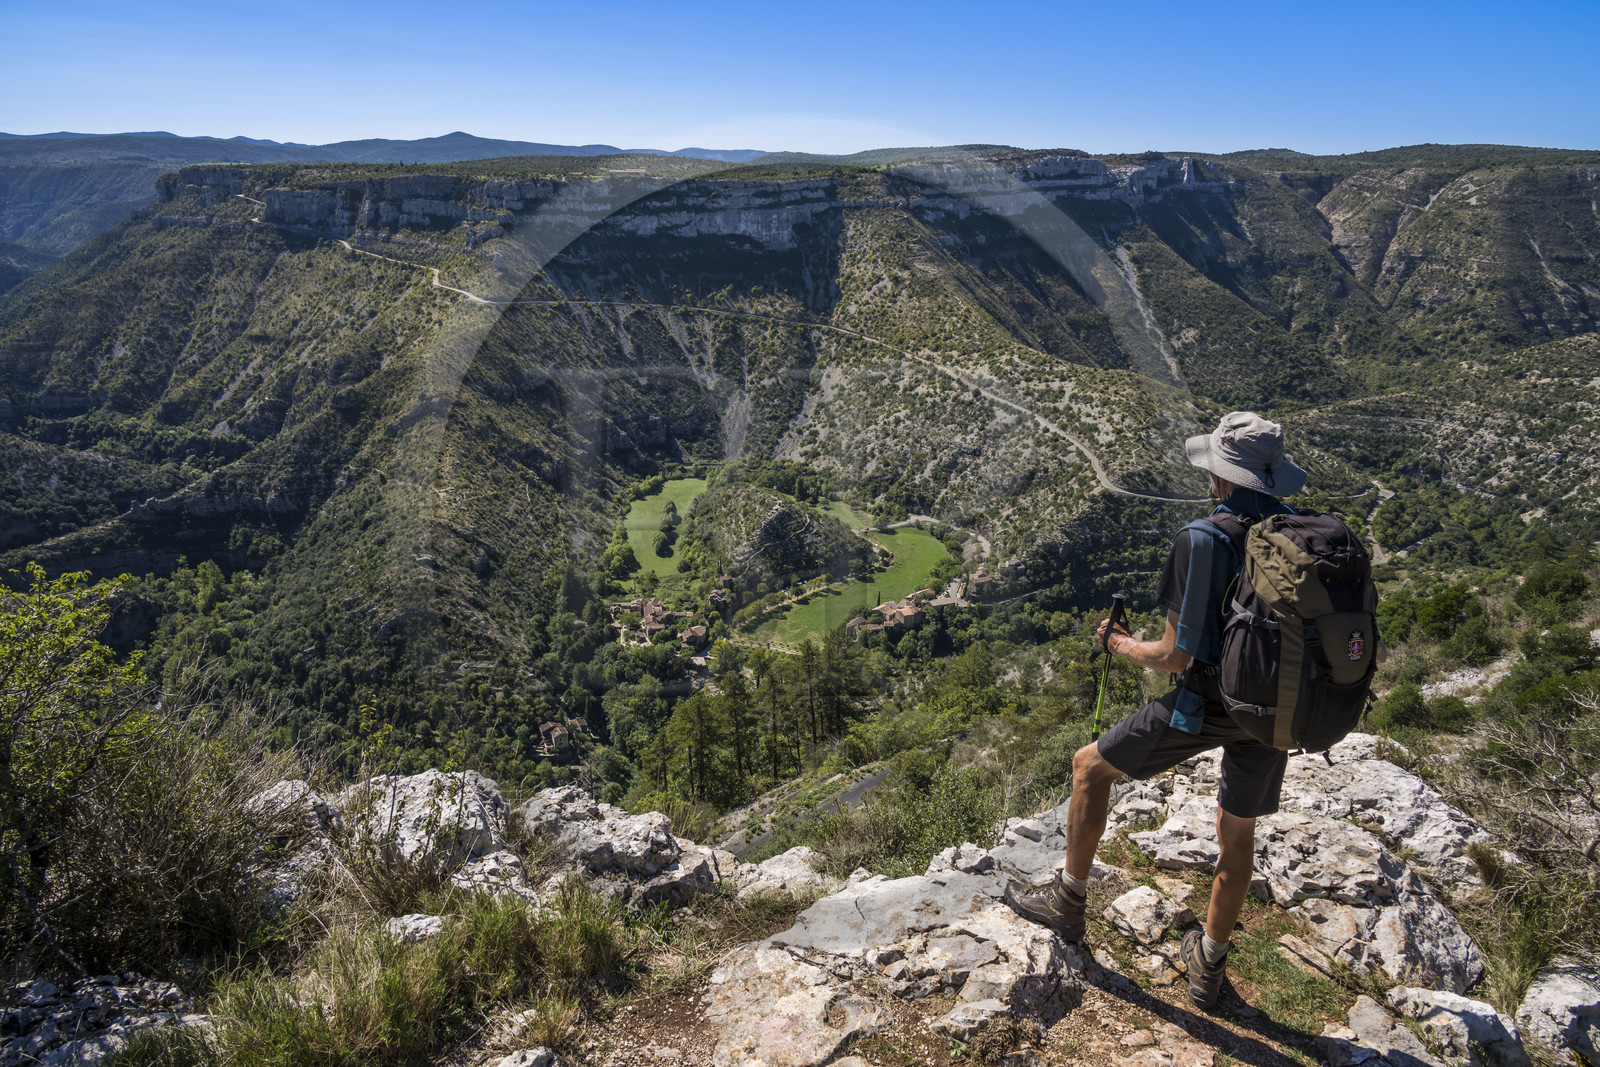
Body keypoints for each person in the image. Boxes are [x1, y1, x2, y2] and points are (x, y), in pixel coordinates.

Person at [1002, 410, 1309, 1011]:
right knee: (1236, 829)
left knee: (1089, 767)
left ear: (1221, 477)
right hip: (1278, 706)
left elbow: (1174, 656)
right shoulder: (1293, 534)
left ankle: (1068, 903)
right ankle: (1209, 966)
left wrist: (1117, 643)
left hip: (1210, 702)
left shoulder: (1204, 538)